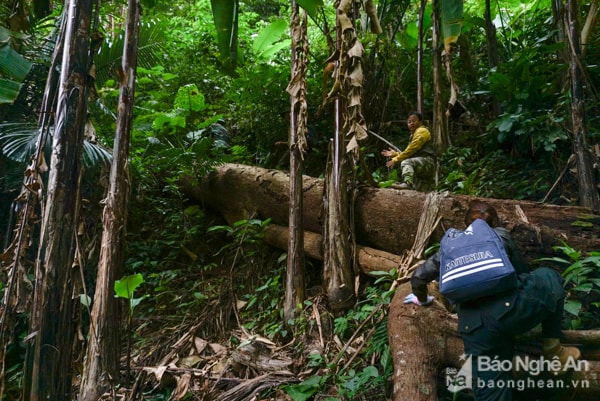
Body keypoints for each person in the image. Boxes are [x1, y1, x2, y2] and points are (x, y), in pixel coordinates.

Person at [404, 201, 581, 401]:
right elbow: (521, 274)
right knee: (548, 276)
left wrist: (423, 299)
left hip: (476, 329)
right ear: (495, 221)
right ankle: (553, 350)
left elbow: (418, 277)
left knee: (492, 393)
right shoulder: (500, 235)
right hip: (512, 311)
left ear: (466, 225)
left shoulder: (450, 247)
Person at [381, 111, 436, 190]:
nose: (411, 123)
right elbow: (410, 153)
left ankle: (407, 183)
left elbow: (412, 149)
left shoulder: (422, 131)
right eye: (409, 122)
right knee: (421, 191)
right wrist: (395, 154)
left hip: (427, 161)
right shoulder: (414, 134)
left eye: (414, 121)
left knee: (406, 162)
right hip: (422, 163)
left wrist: (397, 158)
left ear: (420, 122)